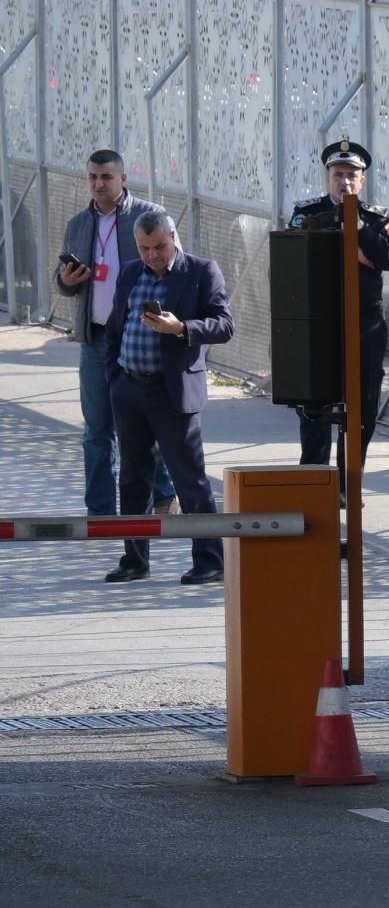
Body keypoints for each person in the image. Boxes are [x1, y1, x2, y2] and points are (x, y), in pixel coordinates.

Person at [102, 209, 234, 586]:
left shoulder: (200, 271)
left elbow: (224, 325)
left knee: (188, 479)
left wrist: (181, 328)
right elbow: (116, 328)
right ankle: (134, 558)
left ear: (173, 238)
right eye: (145, 248)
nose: (153, 255)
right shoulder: (129, 273)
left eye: (159, 246)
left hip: (171, 391)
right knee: (132, 478)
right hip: (129, 387)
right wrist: (115, 377)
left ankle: (209, 560)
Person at [54, 150, 177, 521]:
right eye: (92, 176)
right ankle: (100, 513)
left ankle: (162, 498)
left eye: (106, 176)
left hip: (138, 339)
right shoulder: (78, 223)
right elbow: (60, 280)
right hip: (95, 339)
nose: (98, 184)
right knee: (96, 430)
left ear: (123, 179)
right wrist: (65, 281)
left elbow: (175, 267)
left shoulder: (148, 216)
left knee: (144, 424)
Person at [288, 139, 389, 468]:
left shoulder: (376, 219)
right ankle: (314, 481)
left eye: (352, 175)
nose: (345, 182)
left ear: (362, 179)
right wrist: (356, 254)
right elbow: (296, 259)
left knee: (363, 407)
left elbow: (387, 258)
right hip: (319, 326)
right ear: (328, 177)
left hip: (365, 327)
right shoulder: (307, 214)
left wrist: (358, 228)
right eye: (338, 174)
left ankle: (347, 483)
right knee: (315, 408)